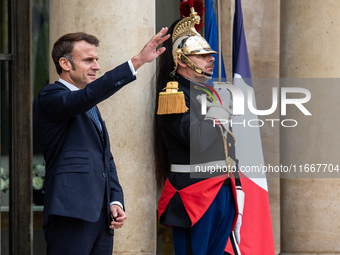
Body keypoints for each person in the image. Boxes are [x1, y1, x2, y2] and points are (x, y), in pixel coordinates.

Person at [35, 28, 170, 255]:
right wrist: (135, 62)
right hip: (71, 213)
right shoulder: (51, 96)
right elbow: (85, 98)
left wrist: (115, 201)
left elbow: (105, 158)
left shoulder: (89, 105)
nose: (96, 66)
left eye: (97, 59)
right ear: (65, 64)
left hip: (102, 218)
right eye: (88, 60)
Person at [154, 3, 244, 255]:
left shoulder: (209, 93)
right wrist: (220, 111)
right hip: (195, 194)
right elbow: (197, 140)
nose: (211, 59)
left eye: (210, 54)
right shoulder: (173, 95)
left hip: (223, 189)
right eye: (202, 55)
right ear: (181, 60)